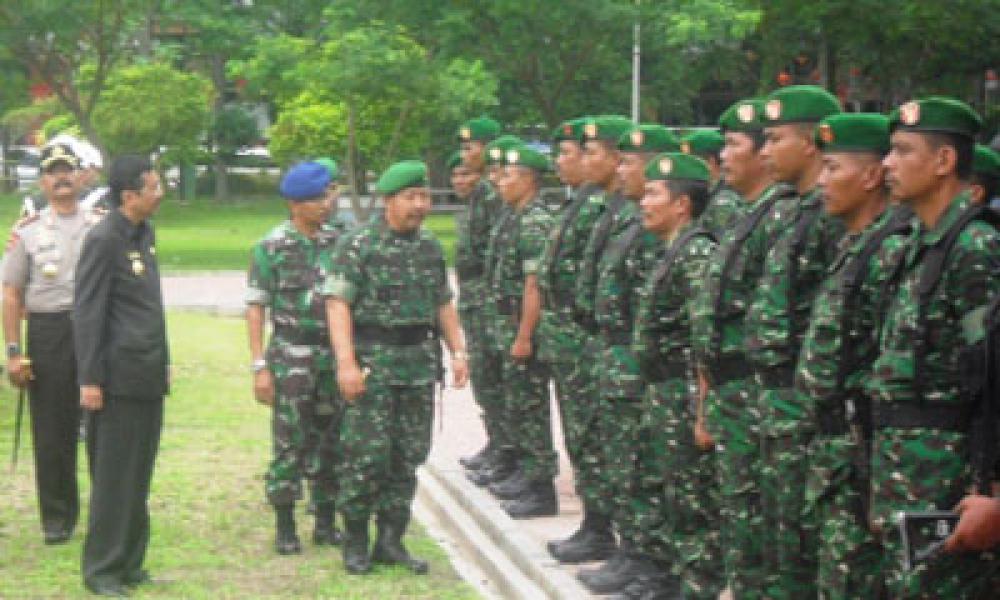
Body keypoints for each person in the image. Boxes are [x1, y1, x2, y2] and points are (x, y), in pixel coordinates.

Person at [865, 96, 1000, 597]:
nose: (887, 165)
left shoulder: (975, 248)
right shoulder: (918, 246)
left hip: (951, 483)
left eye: (901, 152)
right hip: (907, 475)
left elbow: (994, 376)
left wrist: (993, 492)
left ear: (944, 162)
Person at [322, 160, 468, 576]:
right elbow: (338, 304)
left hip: (418, 367)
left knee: (407, 457)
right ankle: (354, 541)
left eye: (424, 197)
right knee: (366, 457)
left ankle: (390, 540)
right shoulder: (359, 244)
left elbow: (443, 303)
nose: (419, 206)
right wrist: (346, 363)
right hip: (374, 365)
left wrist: (458, 351)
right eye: (410, 198)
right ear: (388, 200)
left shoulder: (429, 247)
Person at [795, 113, 911, 598]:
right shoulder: (854, 245)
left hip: (863, 449)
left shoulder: (891, 250)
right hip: (833, 447)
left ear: (869, 177)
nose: (821, 182)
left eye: (832, 169)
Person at [748, 84, 844, 597]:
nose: (765, 151)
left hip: (803, 405)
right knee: (777, 539)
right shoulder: (786, 209)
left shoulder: (831, 219)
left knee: (803, 546)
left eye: (775, 139)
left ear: (810, 144)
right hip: (773, 398)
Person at [690, 97, 788, 599]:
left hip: (757, 395)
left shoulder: (780, 217)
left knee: (757, 532)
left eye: (733, 145)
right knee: (737, 522)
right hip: (732, 393)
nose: (722, 156)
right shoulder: (749, 214)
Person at [579, 123, 682, 596]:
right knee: (623, 461)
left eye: (629, 163)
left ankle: (649, 559)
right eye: (618, 161)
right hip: (615, 352)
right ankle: (631, 550)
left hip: (638, 361)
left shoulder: (654, 229)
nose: (622, 171)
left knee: (641, 465)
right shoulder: (624, 216)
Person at [626, 152, 721, 599]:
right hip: (662, 391)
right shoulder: (674, 249)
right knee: (671, 493)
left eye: (653, 193)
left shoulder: (697, 252)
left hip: (682, 393)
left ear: (681, 204)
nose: (643, 202)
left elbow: (704, 342)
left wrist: (703, 413)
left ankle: (695, 588)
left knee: (692, 500)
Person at [74, 154, 169, 596]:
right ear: (129, 195)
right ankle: (103, 570)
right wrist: (89, 379)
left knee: (139, 473)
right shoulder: (103, 239)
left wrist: (164, 359)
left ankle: (131, 560)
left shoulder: (143, 233)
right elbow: (89, 312)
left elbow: (150, 308)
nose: (161, 192)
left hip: (146, 373)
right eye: (154, 186)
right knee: (114, 477)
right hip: (115, 379)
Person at [2, 143, 102, 546]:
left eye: (68, 170)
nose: (61, 178)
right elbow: (10, 294)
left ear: (81, 177)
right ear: (42, 181)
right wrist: (12, 351)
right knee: (52, 430)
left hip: (96, 330)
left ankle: (106, 513)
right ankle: (57, 518)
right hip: (48, 331)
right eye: (53, 172)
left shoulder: (100, 225)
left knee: (102, 425)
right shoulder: (25, 233)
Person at [246, 162, 345, 555]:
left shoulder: (339, 241)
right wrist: (259, 366)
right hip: (291, 355)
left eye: (325, 197)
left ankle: (325, 521)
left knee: (332, 440)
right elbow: (256, 307)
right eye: (316, 200)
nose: (325, 205)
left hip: (331, 355)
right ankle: (285, 525)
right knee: (290, 443)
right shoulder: (271, 246)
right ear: (294, 204)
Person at [538, 117, 618, 563]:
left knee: (597, 439)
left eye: (589, 152)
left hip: (590, 337)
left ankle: (604, 528)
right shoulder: (586, 202)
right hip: (574, 337)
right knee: (582, 436)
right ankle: (595, 523)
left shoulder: (608, 209)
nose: (580, 161)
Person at [481, 145, 557, 518]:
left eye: (508, 176)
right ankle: (525, 474)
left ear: (528, 179)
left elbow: (533, 285)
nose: (500, 182)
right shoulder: (514, 216)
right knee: (515, 403)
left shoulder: (534, 221)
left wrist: (525, 335)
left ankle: (541, 486)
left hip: (520, 327)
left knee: (530, 406)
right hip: (505, 325)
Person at [452, 117, 505, 474]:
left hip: (487, 297)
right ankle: (497, 444)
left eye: (471, 147)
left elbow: (495, 253)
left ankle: (506, 451)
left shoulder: (492, 193)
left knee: (496, 379)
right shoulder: (478, 195)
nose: (465, 155)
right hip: (474, 297)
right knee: (486, 379)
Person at [682, 128, 744, 236]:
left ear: (709, 163)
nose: (685, 170)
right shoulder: (707, 193)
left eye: (690, 162)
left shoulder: (725, 201)